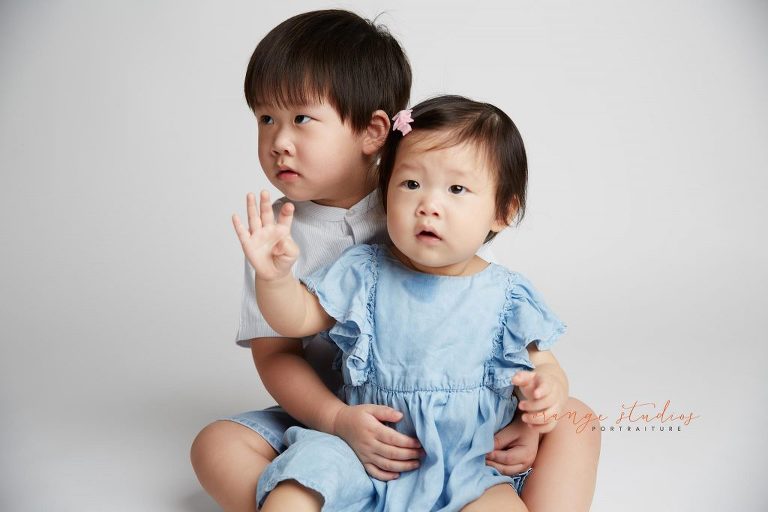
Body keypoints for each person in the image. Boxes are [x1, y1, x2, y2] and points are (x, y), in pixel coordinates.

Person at [192, 9, 600, 512]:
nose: (278, 141)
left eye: (301, 118)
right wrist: (336, 419)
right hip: (334, 417)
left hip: (458, 424)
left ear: (373, 131)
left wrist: (532, 414)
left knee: (577, 420)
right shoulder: (274, 235)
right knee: (216, 445)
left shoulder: (421, 202)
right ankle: (328, 495)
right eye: (265, 119)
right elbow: (278, 348)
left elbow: (496, 331)